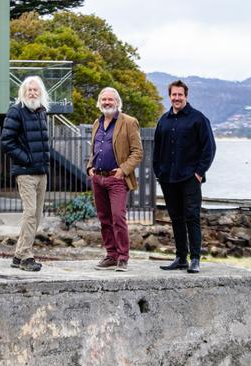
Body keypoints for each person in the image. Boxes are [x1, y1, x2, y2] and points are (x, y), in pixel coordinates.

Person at [154, 80, 216, 273]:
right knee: (176, 218)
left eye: (180, 95)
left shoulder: (198, 119)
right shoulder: (163, 120)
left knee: (192, 217)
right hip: (168, 178)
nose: (177, 98)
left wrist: (199, 173)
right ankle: (181, 258)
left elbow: (209, 148)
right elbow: (157, 149)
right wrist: (159, 172)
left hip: (190, 177)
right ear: (170, 96)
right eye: (174, 95)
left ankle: (195, 259)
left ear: (186, 96)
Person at [87, 87, 143, 272]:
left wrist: (123, 170)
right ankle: (111, 255)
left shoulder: (129, 122)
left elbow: (137, 152)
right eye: (103, 99)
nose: (107, 103)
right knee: (104, 219)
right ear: (99, 102)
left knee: (118, 217)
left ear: (117, 102)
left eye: (110, 100)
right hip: (98, 179)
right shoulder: (97, 122)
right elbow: (95, 149)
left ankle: (123, 257)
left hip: (117, 179)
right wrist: (90, 168)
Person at [1, 76, 50, 272]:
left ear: (41, 92)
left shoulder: (42, 112)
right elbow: (7, 141)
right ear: (23, 92)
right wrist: (27, 159)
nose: (32, 93)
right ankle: (26, 257)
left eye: (35, 90)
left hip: (41, 172)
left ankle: (17, 255)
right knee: (30, 213)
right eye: (29, 90)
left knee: (36, 216)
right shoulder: (16, 111)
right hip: (25, 172)